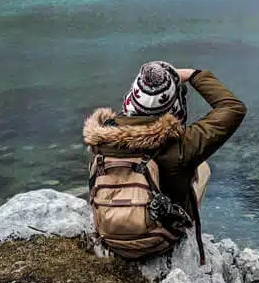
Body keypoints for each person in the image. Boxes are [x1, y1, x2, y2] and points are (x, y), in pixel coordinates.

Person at [83, 62, 246, 262]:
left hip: (109, 236)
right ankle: (178, 221)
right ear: (172, 108)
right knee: (202, 167)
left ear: (131, 98)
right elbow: (233, 107)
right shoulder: (182, 145)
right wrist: (194, 75)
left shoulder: (101, 138)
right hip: (161, 240)